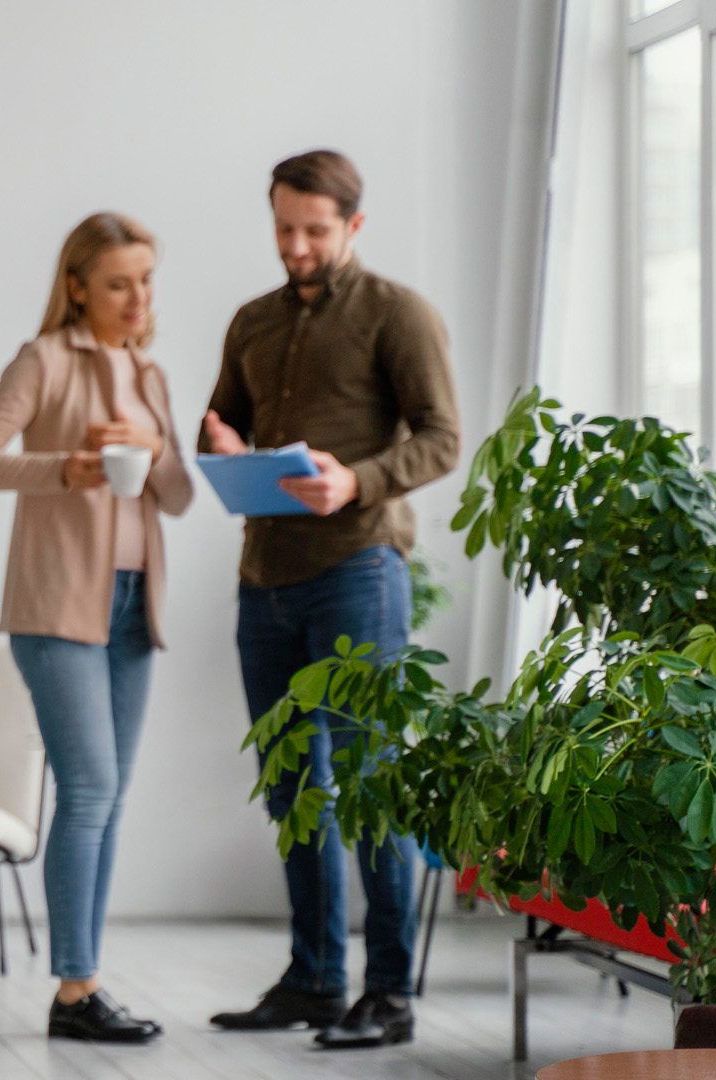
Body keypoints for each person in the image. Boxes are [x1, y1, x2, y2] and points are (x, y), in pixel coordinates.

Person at [201, 150, 460, 1049]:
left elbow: (442, 438)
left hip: (358, 570)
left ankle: (387, 993)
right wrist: (224, 440)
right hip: (262, 575)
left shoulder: (398, 314)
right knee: (288, 787)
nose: (297, 245)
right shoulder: (252, 321)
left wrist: (358, 480)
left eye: (315, 229)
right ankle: (315, 978)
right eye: (284, 228)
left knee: (366, 784)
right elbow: (224, 419)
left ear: (354, 225)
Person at [0, 212, 194, 1043]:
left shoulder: (150, 375)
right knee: (88, 790)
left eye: (146, 280)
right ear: (79, 285)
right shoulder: (44, 360)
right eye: (119, 282)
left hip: (133, 605)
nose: (137, 297)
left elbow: (181, 497)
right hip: (57, 606)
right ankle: (77, 990)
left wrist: (155, 451)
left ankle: (81, 987)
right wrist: (68, 468)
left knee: (110, 797)